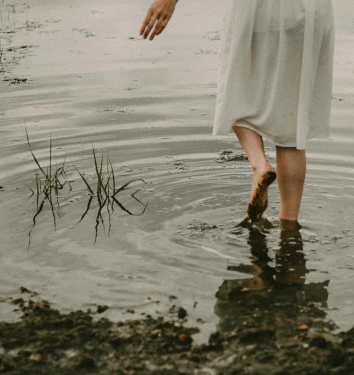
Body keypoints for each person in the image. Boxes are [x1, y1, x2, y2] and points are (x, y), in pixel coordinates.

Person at [140, 0, 335, 225]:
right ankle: (289, 228)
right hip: (310, 12)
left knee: (235, 90)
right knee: (291, 132)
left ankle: (259, 164)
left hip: (258, 10)